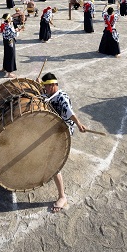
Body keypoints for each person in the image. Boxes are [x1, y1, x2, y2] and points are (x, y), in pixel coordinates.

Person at [38, 72, 87, 212]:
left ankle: (62, 197)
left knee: (54, 164)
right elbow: (42, 92)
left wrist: (79, 124)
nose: (44, 89)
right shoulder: (50, 94)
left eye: (46, 87)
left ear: (53, 85)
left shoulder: (61, 98)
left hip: (61, 133)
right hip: (52, 128)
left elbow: (70, 113)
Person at [0, 13, 22, 77]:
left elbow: (9, 32)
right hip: (10, 41)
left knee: (6, 54)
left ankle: (4, 67)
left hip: (5, 41)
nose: (11, 18)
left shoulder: (4, 24)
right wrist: (19, 31)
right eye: (10, 17)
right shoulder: (9, 26)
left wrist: (16, 30)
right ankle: (9, 72)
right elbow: (13, 35)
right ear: (8, 19)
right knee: (11, 55)